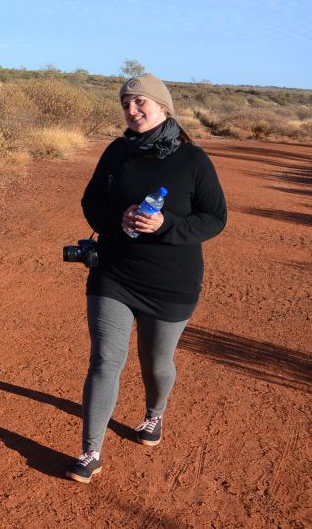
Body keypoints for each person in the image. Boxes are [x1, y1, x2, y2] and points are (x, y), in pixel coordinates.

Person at [67, 73, 227, 483]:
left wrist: (166, 224)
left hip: (171, 282)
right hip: (115, 274)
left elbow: (214, 218)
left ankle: (154, 415)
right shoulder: (118, 152)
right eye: (126, 104)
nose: (132, 111)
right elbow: (91, 201)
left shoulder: (193, 161)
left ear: (163, 107)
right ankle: (91, 450)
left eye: (140, 103)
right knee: (105, 360)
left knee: (155, 364)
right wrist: (115, 220)